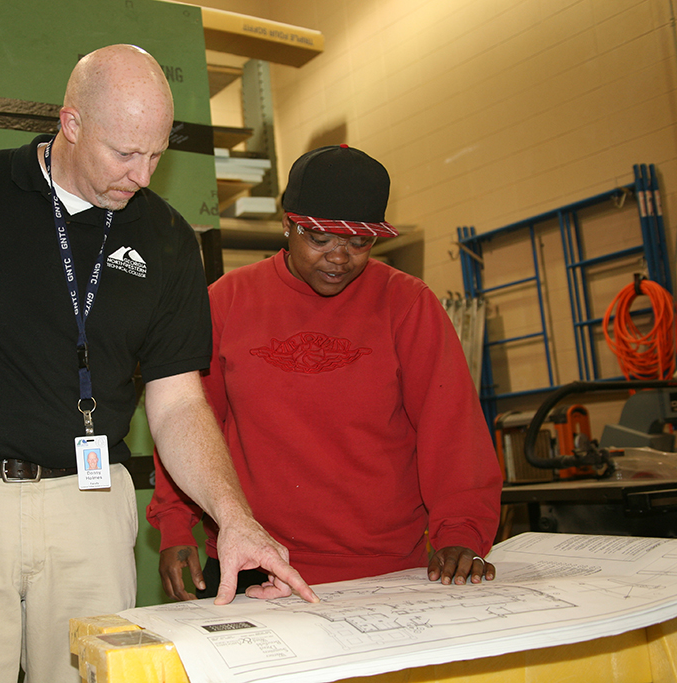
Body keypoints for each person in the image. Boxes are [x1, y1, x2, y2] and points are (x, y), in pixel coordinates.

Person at [0, 44, 316, 683]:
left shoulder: (170, 240)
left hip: (90, 509)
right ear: (70, 124)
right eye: (125, 154)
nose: (144, 175)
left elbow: (178, 402)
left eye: (157, 154)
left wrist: (234, 517)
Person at [147, 144, 503, 601]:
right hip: (254, 560)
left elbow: (452, 427)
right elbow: (188, 420)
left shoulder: (407, 305)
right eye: (320, 239)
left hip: (385, 572)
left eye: (359, 243)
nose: (340, 257)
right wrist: (176, 527)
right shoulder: (227, 302)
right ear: (287, 225)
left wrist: (460, 533)